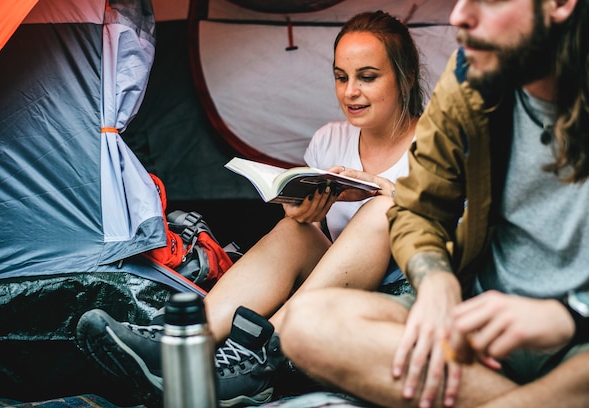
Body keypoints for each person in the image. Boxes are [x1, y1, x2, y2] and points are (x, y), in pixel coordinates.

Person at [75, 10, 425, 408]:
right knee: (295, 231)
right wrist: (302, 215)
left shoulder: (438, 143)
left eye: (367, 77)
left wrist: (393, 196)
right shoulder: (330, 139)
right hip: (339, 287)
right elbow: (327, 248)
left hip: (405, 292)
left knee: (381, 212)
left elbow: (465, 241)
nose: (350, 92)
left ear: (405, 76)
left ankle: (258, 356)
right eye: (341, 77)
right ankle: (186, 339)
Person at [279, 0, 589, 407]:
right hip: (471, 319)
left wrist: (570, 318)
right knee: (306, 324)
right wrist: (437, 282)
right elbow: (419, 208)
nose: (458, 15)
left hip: (575, 347)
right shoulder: (471, 79)